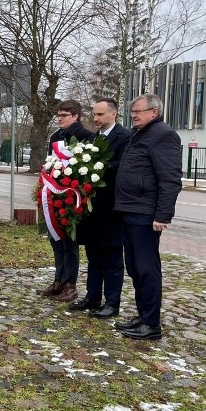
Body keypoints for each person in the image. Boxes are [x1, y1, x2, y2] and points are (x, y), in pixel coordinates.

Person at [113, 93, 182, 340]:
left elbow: (170, 179)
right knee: (134, 267)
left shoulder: (164, 135)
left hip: (145, 213)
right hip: (129, 210)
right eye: (132, 111)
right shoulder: (139, 134)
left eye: (139, 111)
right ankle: (143, 316)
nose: (134, 115)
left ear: (154, 112)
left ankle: (151, 324)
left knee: (146, 269)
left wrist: (163, 215)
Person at [69, 98, 131, 318]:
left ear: (113, 114)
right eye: (94, 114)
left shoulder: (125, 137)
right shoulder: (94, 138)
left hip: (112, 207)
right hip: (93, 207)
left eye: (100, 115)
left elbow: (122, 165)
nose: (95, 119)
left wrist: (98, 166)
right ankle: (92, 297)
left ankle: (112, 303)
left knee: (112, 258)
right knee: (93, 255)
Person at [37, 99, 94, 302]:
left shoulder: (86, 137)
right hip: (54, 193)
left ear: (76, 116)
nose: (59, 118)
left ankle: (70, 285)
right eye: (58, 115)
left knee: (70, 243)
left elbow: (88, 168)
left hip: (73, 196)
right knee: (56, 240)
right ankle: (58, 281)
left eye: (64, 115)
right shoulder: (55, 136)